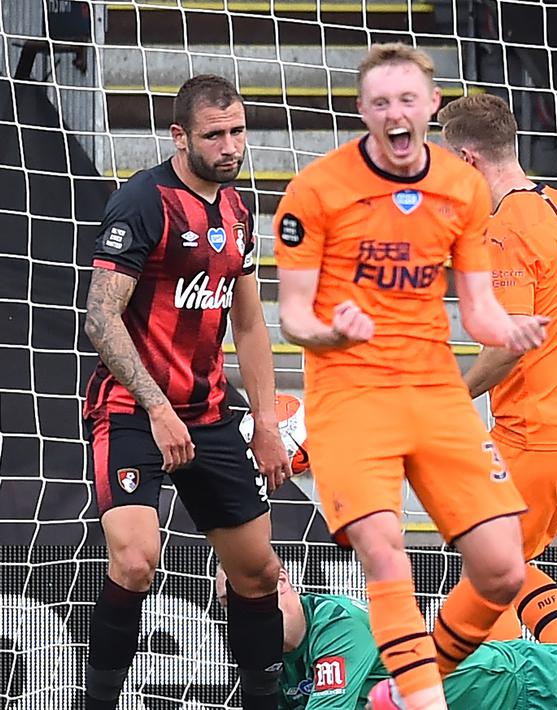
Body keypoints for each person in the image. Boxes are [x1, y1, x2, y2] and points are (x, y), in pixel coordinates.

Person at [273, 43, 548, 710]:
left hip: (431, 390)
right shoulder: (315, 191)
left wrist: (505, 329)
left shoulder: (460, 187)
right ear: (363, 112)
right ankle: (427, 704)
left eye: (406, 100)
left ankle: (405, 689)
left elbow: (477, 307)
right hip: (349, 395)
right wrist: (330, 331)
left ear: (430, 104)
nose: (395, 114)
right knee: (386, 554)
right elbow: (291, 318)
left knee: (502, 569)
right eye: (380, 103)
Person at [81, 75, 291, 710]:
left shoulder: (238, 210)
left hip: (208, 413)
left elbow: (250, 323)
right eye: (214, 135)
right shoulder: (143, 202)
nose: (230, 147)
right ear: (180, 136)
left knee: (258, 574)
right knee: (137, 559)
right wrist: (156, 407)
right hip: (133, 408)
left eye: (238, 132)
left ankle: (263, 701)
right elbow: (100, 317)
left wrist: (267, 422)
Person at [436, 93, 557, 645]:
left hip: (536, 434)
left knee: (484, 578)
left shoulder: (503, 229)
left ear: (468, 162)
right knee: (511, 564)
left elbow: (511, 343)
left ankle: (529, 690)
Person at [212, 566, 557, 710]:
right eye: (232, 610)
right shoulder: (269, 669)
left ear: (284, 582)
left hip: (528, 685)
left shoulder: (337, 623)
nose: (248, 618)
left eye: (253, 601)